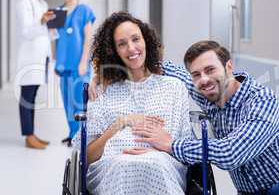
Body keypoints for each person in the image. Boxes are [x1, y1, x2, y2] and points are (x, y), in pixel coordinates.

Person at [123, 40, 279, 195]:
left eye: (210, 70)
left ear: (229, 67)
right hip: (246, 192)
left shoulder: (262, 101)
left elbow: (231, 153)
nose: (204, 79)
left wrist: (171, 144)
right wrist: (103, 69)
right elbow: (169, 70)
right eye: (196, 74)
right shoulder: (208, 94)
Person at [72, 11, 194, 195]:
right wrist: (121, 123)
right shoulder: (103, 90)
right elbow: (88, 157)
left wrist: (157, 152)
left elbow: (187, 149)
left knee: (155, 164)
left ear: (146, 40)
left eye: (135, 39)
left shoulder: (174, 87)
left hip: (163, 164)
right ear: (113, 51)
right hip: (112, 167)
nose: (131, 48)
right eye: (122, 44)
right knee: (124, 165)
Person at [54, 0, 95, 146]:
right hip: (63, 64)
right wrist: (55, 60)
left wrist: (84, 61)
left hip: (79, 64)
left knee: (79, 101)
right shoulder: (58, 11)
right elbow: (55, 38)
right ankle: (72, 134)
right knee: (67, 101)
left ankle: (80, 136)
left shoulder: (84, 10)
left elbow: (88, 38)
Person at [16, 0, 55, 149]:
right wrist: (42, 21)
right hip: (29, 57)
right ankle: (28, 135)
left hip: (42, 57)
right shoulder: (23, 2)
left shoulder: (42, 3)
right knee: (26, 96)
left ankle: (31, 134)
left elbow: (46, 32)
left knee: (32, 96)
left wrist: (52, 25)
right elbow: (26, 31)